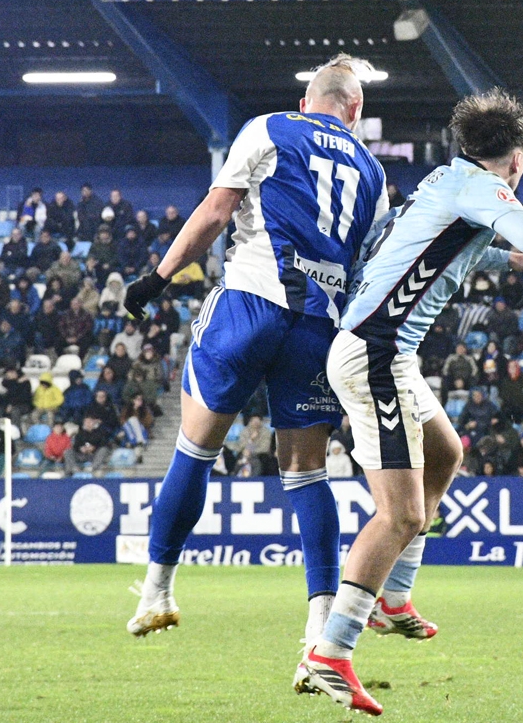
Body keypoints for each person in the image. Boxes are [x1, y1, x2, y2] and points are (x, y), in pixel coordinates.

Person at [303, 88, 523, 713]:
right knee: (402, 516)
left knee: (446, 453)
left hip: (386, 351)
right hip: (375, 352)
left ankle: (393, 601)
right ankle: (331, 653)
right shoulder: (483, 189)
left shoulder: (448, 181)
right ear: (519, 155)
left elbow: (452, 250)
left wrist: (519, 260)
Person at [121, 55, 389, 677]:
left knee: (195, 447)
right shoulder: (373, 172)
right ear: (356, 110)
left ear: (306, 100)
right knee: (306, 473)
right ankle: (320, 638)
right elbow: (372, 270)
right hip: (320, 326)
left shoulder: (270, 128)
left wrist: (156, 280)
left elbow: (216, 213)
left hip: (251, 301)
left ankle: (158, 591)